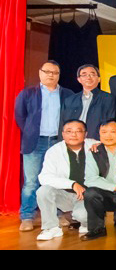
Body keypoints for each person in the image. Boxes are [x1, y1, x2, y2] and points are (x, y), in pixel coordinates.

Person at [14, 60, 74, 232]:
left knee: (57, 180)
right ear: (40, 73)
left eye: (54, 72)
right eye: (47, 71)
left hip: (57, 143)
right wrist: (31, 131)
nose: (50, 75)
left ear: (59, 75)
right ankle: (27, 216)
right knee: (31, 182)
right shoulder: (28, 93)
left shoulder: (67, 94)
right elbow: (20, 116)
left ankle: (58, 214)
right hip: (35, 142)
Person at [35, 119, 94, 240]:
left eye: (78, 131)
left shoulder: (95, 146)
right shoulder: (54, 151)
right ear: (62, 134)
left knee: (82, 216)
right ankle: (52, 228)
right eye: (69, 131)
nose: (73, 135)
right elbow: (44, 177)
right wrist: (72, 184)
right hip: (64, 195)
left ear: (85, 134)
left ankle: (87, 223)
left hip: (88, 197)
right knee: (43, 191)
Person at [81, 119, 116, 241]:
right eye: (104, 132)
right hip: (106, 194)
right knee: (90, 193)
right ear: (99, 134)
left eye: (112, 132)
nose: (108, 136)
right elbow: (90, 179)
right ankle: (97, 229)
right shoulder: (94, 152)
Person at [60, 64, 116, 140]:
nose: (88, 77)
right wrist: (61, 142)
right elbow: (62, 125)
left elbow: (110, 124)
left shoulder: (108, 99)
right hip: (72, 141)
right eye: (84, 75)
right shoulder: (69, 100)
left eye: (92, 74)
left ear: (99, 79)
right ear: (79, 79)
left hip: (95, 142)